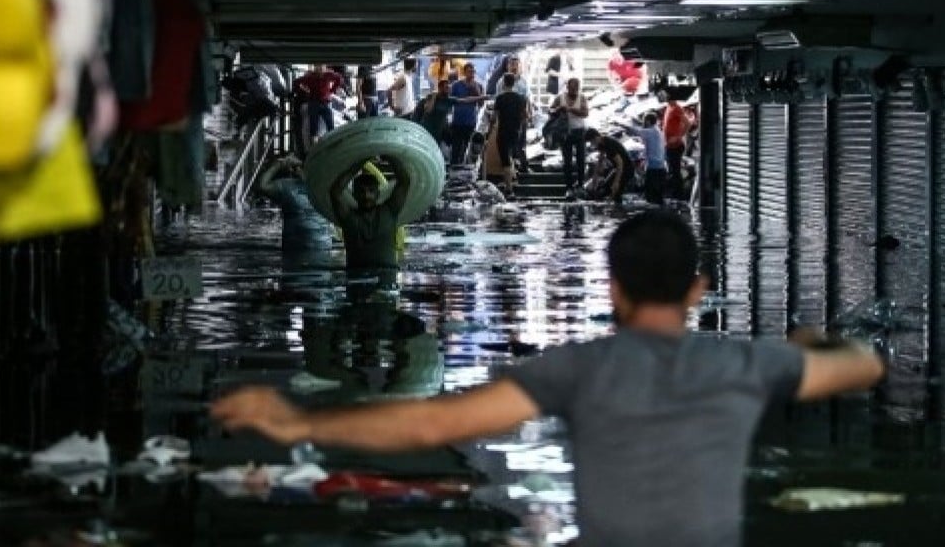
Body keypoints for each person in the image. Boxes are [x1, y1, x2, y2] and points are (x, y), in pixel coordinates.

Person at [212, 211, 886, 547]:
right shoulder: (748, 363)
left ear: (614, 290)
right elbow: (866, 364)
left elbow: (430, 423)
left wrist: (300, 421)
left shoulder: (575, 368)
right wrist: (811, 341)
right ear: (698, 291)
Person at [329, 156, 411, 273]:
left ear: (378, 194)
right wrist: (361, 161)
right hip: (356, 280)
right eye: (362, 191)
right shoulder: (348, 217)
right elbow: (335, 191)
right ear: (354, 195)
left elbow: (405, 181)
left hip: (386, 283)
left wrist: (389, 155)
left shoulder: (389, 211)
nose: (366, 196)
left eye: (371, 191)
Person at [256, 154, 333, 257]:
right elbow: (262, 186)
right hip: (293, 251)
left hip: (322, 250)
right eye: (297, 167)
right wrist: (279, 165)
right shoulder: (286, 186)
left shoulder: (325, 186)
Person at [549, 77, 588, 195]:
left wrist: (571, 109)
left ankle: (581, 184)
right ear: (567, 87)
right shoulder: (560, 98)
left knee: (581, 159)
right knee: (567, 161)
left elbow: (585, 113)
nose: (574, 90)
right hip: (565, 133)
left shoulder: (582, 98)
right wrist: (558, 109)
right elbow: (550, 110)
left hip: (580, 131)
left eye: (576, 88)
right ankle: (569, 187)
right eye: (572, 88)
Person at [492, 74, 529, 195]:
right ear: (514, 83)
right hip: (516, 131)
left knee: (505, 159)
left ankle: (508, 188)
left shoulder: (500, 98)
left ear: (503, 83)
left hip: (503, 130)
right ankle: (511, 180)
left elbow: (494, 117)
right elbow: (526, 116)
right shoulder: (521, 98)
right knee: (511, 157)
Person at [293, 65, 344, 146]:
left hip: (324, 103)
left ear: (325, 67)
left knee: (330, 125)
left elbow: (339, 79)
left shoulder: (328, 74)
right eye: (318, 66)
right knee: (313, 128)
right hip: (314, 103)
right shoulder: (310, 76)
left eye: (321, 66)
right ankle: (314, 149)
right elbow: (296, 82)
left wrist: (331, 90)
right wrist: (304, 91)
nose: (320, 68)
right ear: (315, 67)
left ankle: (333, 145)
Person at [627, 111, 667, 206]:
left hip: (654, 168)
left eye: (644, 121)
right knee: (658, 197)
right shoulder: (658, 131)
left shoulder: (651, 131)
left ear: (648, 121)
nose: (643, 123)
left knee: (650, 196)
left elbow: (636, 131)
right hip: (661, 167)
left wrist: (621, 123)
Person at [448, 64, 485, 166]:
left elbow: (481, 104)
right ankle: (454, 166)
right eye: (469, 71)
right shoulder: (456, 85)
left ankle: (466, 167)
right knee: (456, 146)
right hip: (458, 121)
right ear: (464, 72)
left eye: (473, 72)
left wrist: (477, 92)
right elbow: (451, 101)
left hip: (470, 121)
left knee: (468, 146)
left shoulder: (479, 86)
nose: (471, 74)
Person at [585, 127, 632, 204]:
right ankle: (609, 204)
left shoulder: (609, 144)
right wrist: (594, 179)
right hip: (617, 168)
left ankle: (618, 210)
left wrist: (616, 182)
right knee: (605, 188)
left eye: (591, 141)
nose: (592, 144)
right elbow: (600, 161)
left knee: (616, 191)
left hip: (626, 169)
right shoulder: (601, 143)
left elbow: (620, 163)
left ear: (596, 137)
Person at [661, 91, 693, 200]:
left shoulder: (677, 108)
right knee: (672, 171)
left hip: (676, 146)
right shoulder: (668, 107)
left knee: (675, 172)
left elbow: (688, 123)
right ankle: (674, 194)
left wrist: (679, 136)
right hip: (669, 146)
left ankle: (679, 196)